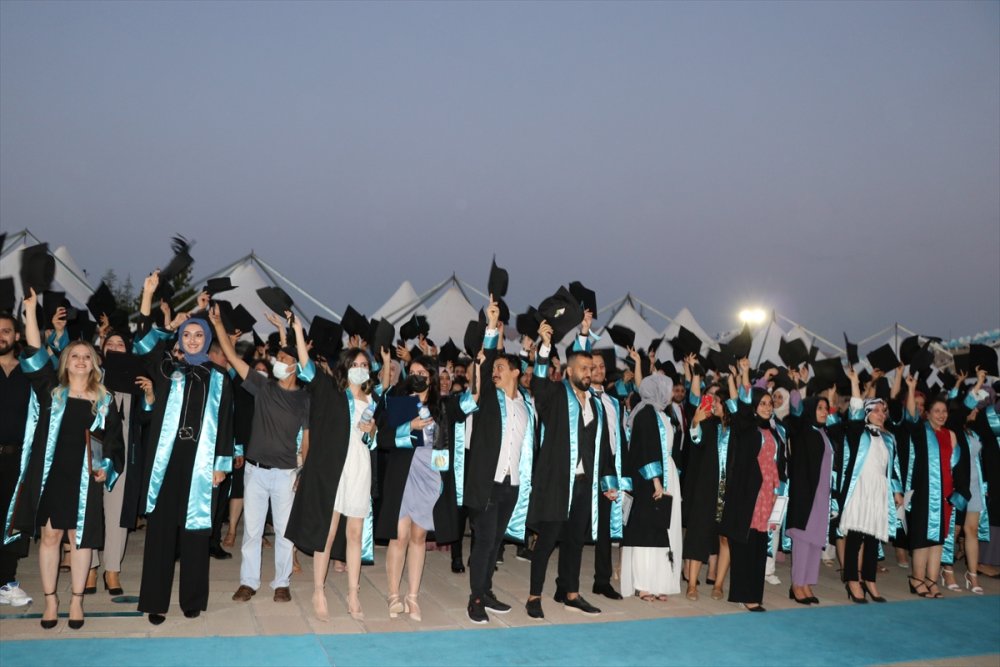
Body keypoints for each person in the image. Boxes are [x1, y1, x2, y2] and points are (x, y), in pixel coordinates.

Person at [5, 288, 123, 629]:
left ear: (95, 363)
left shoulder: (105, 401)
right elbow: (34, 351)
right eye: (75, 356)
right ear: (65, 362)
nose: (81, 361)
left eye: (87, 356)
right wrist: (30, 311)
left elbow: (114, 445)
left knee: (81, 538)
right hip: (52, 477)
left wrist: (108, 468)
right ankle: (51, 601)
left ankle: (76, 602)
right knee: (52, 537)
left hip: (84, 478)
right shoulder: (50, 393)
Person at [133, 272, 234, 624]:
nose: (192, 339)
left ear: (206, 339)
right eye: (186, 335)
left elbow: (226, 423)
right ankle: (155, 602)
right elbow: (143, 341)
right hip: (166, 459)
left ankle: (192, 599)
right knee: (160, 531)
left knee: (195, 530)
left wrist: (221, 463)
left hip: (201, 461)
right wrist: (147, 297)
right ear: (180, 338)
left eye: (197, 335)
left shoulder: (219, 378)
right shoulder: (166, 369)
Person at [208, 305, 309, 605]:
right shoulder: (262, 386)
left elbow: (308, 440)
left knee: (283, 531)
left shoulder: (304, 399)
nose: (279, 362)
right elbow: (234, 358)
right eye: (279, 358)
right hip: (254, 470)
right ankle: (248, 582)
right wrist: (217, 326)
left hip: (286, 472)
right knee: (252, 530)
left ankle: (281, 582)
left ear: (296, 367)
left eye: (286, 359)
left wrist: (302, 472)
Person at [286, 333, 389, 622]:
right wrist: (296, 330)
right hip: (334, 469)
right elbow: (307, 368)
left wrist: (371, 432)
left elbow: (373, 440)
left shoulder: (373, 399)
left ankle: (353, 593)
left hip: (360, 468)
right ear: (345, 368)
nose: (361, 368)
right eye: (355, 363)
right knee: (328, 533)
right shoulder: (331, 392)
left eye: (364, 364)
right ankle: (318, 590)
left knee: (354, 534)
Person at [524, 320, 617, 619]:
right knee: (547, 542)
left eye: (592, 370)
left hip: (583, 485)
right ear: (570, 371)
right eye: (584, 369)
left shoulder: (597, 405)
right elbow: (537, 383)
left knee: (575, 541)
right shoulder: (555, 395)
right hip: (556, 484)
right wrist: (545, 348)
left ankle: (570, 593)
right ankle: (533, 596)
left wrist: (608, 482)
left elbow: (603, 449)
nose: (589, 374)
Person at [375, 354, 472, 621]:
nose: (417, 376)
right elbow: (382, 438)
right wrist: (410, 426)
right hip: (403, 475)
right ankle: (393, 594)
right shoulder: (397, 402)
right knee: (400, 535)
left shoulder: (443, 405)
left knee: (418, 537)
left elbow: (472, 400)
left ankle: (413, 596)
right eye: (413, 372)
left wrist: (482, 360)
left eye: (422, 372)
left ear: (431, 377)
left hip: (430, 477)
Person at [463, 300, 536, 623]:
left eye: (501, 369)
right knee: (483, 542)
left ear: (516, 372)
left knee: (495, 545)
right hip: (487, 483)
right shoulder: (489, 400)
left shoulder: (526, 406)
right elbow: (485, 362)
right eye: (495, 368)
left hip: (511, 485)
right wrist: (492, 328)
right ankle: (475, 598)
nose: (496, 372)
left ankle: (487, 589)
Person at [719, 358, 787, 612]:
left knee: (760, 546)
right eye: (764, 403)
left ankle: (754, 593)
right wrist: (745, 374)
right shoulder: (745, 427)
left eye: (770, 404)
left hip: (767, 494)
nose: (768, 407)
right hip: (748, 496)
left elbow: (774, 462)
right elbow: (743, 408)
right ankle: (743, 594)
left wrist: (777, 489)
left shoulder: (773, 431)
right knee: (745, 546)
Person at [89, 329, 153, 596]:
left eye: (121, 344)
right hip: (92, 452)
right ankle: (90, 567)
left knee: (116, 513)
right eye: (110, 343)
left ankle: (112, 569)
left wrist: (149, 397)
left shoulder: (136, 381)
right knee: (90, 510)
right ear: (102, 350)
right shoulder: (90, 378)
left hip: (124, 455)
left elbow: (145, 421)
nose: (115, 347)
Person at [838, 368, 903, 602]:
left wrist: (897, 491)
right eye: (876, 410)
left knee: (874, 539)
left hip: (879, 491)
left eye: (883, 411)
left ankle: (869, 580)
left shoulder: (889, 438)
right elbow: (854, 409)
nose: (881, 414)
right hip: (861, 490)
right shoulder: (858, 432)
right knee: (855, 538)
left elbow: (893, 466)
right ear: (867, 413)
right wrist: (855, 382)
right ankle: (852, 581)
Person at [901, 374, 968, 599]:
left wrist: (958, 493)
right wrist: (911, 388)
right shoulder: (921, 431)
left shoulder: (951, 435)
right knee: (922, 539)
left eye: (944, 411)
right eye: (937, 411)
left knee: (939, 538)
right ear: (927, 413)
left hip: (946, 494)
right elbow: (910, 415)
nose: (941, 415)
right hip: (924, 493)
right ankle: (917, 579)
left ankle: (931, 580)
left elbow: (957, 467)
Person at [620, 373, 683, 601]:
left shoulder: (663, 414)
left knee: (663, 530)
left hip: (668, 476)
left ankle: (660, 581)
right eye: (667, 388)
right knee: (646, 531)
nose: (670, 393)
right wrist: (656, 480)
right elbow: (644, 449)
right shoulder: (645, 413)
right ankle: (644, 584)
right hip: (650, 480)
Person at [785, 394, 839, 604]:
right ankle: (797, 584)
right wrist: (796, 389)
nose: (825, 411)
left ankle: (807, 582)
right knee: (803, 540)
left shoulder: (825, 433)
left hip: (822, 495)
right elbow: (797, 409)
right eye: (820, 408)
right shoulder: (802, 431)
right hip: (806, 495)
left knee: (816, 541)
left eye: (826, 408)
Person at [0, 310, 33, 608]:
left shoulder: (28, 372)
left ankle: (7, 582)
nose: (1, 335)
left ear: (16, 336)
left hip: (17, 460)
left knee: (11, 522)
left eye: (6, 330)